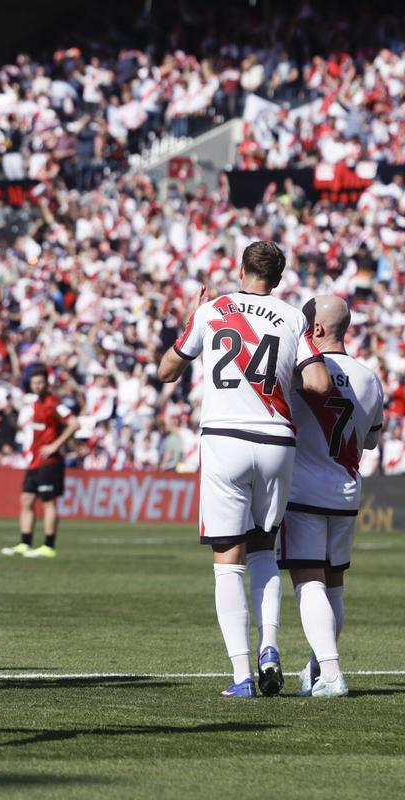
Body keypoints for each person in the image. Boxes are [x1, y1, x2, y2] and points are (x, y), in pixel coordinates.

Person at [157, 240, 331, 697]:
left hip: (225, 438)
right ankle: (270, 646)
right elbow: (317, 382)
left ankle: (241, 676)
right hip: (276, 441)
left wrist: (193, 321)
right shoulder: (293, 317)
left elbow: (166, 371)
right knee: (263, 551)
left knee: (226, 561)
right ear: (278, 279)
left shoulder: (213, 310)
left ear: (240, 270)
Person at [279, 296, 384, 698]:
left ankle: (332, 672)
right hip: (346, 489)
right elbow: (372, 441)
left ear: (317, 330)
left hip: (305, 489)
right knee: (334, 583)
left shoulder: (298, 371)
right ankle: (317, 668)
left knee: (308, 582)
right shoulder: (369, 377)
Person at [3, 366, 79, 558]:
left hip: (50, 461)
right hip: (35, 460)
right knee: (26, 500)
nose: (37, 385)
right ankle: (25, 543)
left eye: (41, 382)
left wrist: (55, 445)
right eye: (34, 382)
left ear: (47, 383)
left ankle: (48, 546)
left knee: (48, 502)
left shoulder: (54, 403)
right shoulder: (35, 403)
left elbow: (74, 423)